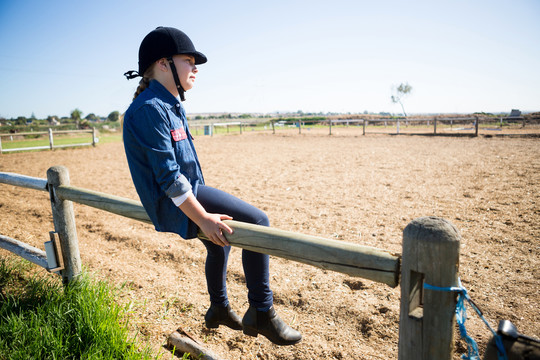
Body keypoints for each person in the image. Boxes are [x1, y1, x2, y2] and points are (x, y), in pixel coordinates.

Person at [122, 26, 301, 346]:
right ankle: (262, 311)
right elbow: (170, 178)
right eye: (188, 61)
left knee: (221, 241)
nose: (195, 68)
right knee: (257, 221)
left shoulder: (170, 103)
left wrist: (205, 213)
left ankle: (218, 307)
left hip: (185, 192)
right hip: (172, 199)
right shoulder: (150, 109)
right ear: (164, 64)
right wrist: (203, 217)